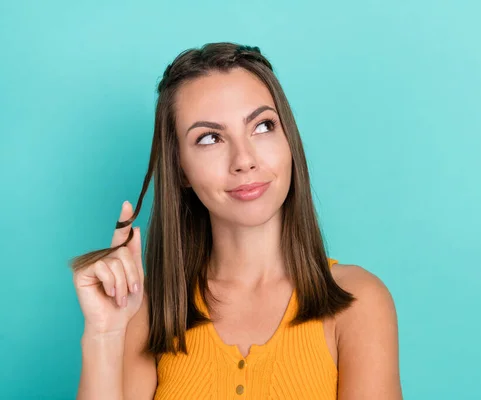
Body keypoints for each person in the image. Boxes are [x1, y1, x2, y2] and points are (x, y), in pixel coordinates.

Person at [70, 42, 403, 400]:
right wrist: (104, 335)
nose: (243, 160)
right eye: (210, 138)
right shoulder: (149, 310)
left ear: (288, 139)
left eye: (262, 126)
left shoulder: (358, 301)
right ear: (180, 168)